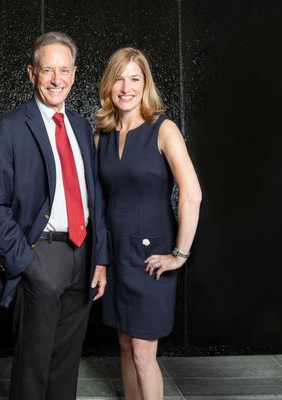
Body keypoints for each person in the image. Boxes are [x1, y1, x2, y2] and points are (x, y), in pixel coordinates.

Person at [0, 31, 109, 400]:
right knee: (33, 365)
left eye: (64, 70)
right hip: (39, 255)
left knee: (66, 364)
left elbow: (93, 198)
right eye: (47, 70)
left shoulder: (82, 127)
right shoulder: (9, 127)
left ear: (75, 73)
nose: (56, 79)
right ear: (31, 74)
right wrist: (25, 262)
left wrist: (99, 259)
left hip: (81, 256)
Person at [94, 47, 202, 399]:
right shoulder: (102, 136)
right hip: (116, 255)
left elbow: (192, 194)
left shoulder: (163, 129)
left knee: (143, 351)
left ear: (146, 84)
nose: (126, 87)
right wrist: (101, 260)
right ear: (109, 84)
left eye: (135, 79)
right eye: (119, 78)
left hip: (151, 258)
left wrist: (179, 255)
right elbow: (99, 203)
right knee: (125, 344)